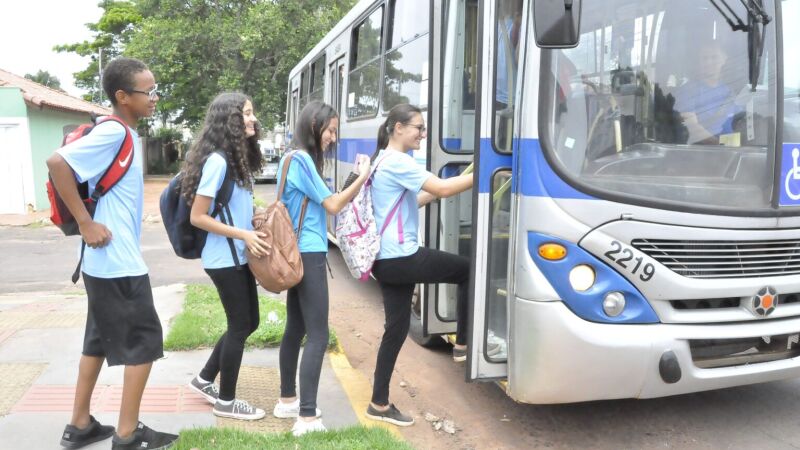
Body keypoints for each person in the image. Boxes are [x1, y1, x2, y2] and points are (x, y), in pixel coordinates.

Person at [46, 57, 178, 450]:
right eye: (148, 91)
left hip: (104, 262)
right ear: (122, 96)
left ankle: (80, 424)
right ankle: (127, 434)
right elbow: (57, 162)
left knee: (98, 341)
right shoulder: (116, 132)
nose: (155, 98)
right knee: (144, 341)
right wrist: (86, 223)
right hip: (116, 261)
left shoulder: (122, 133)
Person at [365, 104, 474, 427]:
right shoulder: (397, 160)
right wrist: (484, 171)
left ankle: (379, 403)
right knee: (467, 270)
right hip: (402, 257)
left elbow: (413, 200)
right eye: (419, 128)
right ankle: (464, 345)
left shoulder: (382, 160)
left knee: (395, 331)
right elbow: (440, 186)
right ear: (398, 128)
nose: (423, 135)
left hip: (385, 260)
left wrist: (437, 194)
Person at [273, 100, 371, 436]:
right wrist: (363, 178)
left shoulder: (290, 159)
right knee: (318, 334)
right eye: (330, 130)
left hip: (295, 255)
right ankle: (307, 417)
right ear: (314, 127)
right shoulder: (301, 159)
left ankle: (287, 400)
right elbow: (332, 204)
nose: (332, 137)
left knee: (295, 329)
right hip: (310, 254)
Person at [183, 93, 270, 420]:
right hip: (224, 259)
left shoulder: (237, 160)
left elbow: (235, 207)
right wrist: (245, 234)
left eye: (252, 113)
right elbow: (198, 216)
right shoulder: (218, 161)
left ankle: (204, 378)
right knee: (239, 326)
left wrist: (257, 214)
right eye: (247, 114)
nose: (253, 119)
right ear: (230, 120)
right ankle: (227, 402)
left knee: (251, 322)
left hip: (238, 257)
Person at [672, 39, 742, 145]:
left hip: (732, 152)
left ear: (724, 59)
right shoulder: (687, 91)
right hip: (703, 153)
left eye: (714, 57)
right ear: (699, 61)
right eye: (705, 58)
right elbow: (693, 128)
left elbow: (740, 123)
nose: (709, 62)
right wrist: (719, 147)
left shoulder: (730, 92)